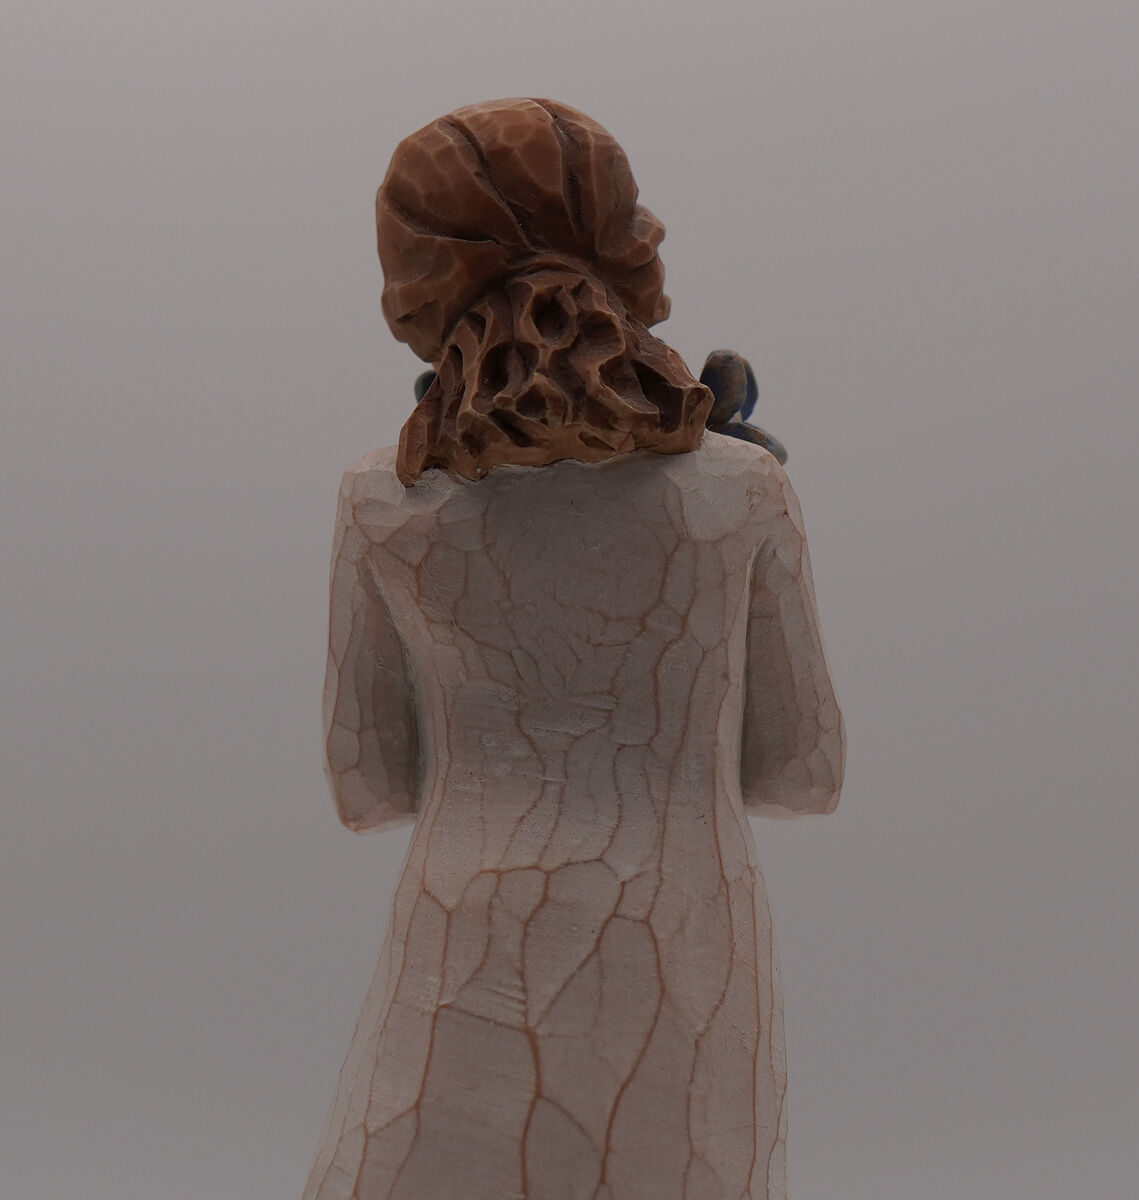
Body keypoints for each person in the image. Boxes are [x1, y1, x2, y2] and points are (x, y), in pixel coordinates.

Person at [303, 98, 843, 1200]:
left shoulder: (382, 501)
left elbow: (370, 786)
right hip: (687, 939)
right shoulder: (741, 489)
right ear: (619, 246)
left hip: (462, 938)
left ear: (418, 285)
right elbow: (801, 769)